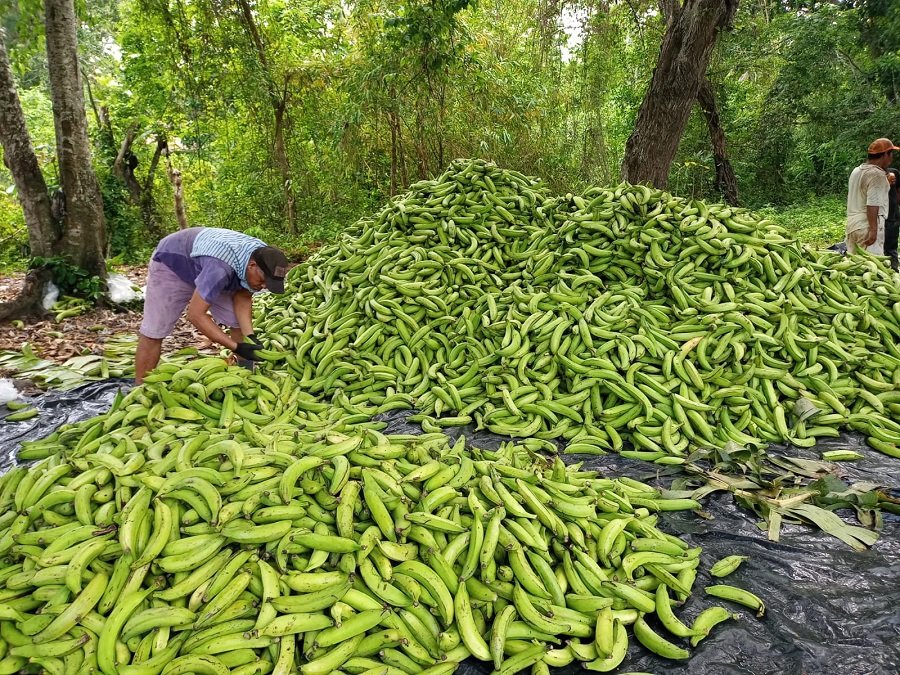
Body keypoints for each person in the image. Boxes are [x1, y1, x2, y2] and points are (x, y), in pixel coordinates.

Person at [134, 227, 289, 384]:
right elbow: (195, 315)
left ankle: (246, 379)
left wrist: (250, 337)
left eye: (267, 283)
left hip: (208, 267)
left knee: (238, 325)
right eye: (262, 281)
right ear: (252, 266)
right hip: (173, 264)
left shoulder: (266, 257)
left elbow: (243, 296)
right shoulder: (220, 268)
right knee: (154, 331)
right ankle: (141, 389)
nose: (263, 286)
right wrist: (235, 346)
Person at [844, 137, 898, 256]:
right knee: (871, 268)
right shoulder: (876, 175)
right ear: (885, 155)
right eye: (891, 154)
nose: (891, 158)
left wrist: (885, 183)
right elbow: (872, 203)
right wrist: (873, 231)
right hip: (867, 227)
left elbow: (866, 192)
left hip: (852, 226)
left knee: (854, 267)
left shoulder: (857, 171)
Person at [884, 167, 899, 270]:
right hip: (877, 216)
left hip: (892, 216)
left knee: (891, 248)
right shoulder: (871, 175)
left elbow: (898, 192)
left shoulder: (894, 173)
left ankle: (894, 270)